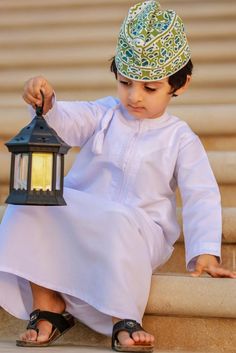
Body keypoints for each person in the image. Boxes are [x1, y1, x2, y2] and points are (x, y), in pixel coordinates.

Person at [0, 1, 235, 352]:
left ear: (180, 85)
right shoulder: (105, 114)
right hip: (86, 213)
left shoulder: (180, 137)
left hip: (139, 227)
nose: (134, 96)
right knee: (31, 198)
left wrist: (204, 252)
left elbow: (200, 194)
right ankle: (47, 304)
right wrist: (48, 103)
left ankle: (123, 317)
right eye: (125, 83)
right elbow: (69, 121)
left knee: (119, 219)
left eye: (149, 88)